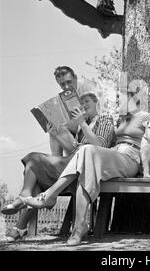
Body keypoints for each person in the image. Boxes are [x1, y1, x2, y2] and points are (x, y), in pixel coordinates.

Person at [23, 90, 150, 246]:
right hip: (114, 156)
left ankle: (49, 195)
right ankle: (79, 226)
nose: (117, 102)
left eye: (120, 99)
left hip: (130, 157)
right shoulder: (123, 120)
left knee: (87, 150)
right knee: (85, 154)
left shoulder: (145, 116)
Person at [1, 91, 115, 242]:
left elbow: (100, 146)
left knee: (34, 162)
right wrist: (55, 133)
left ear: (96, 103)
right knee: (34, 162)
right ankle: (25, 204)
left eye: (87, 101)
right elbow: (73, 148)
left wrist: (80, 122)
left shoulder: (104, 118)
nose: (84, 105)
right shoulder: (83, 125)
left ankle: (20, 220)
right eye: (81, 103)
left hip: (87, 166)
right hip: (72, 162)